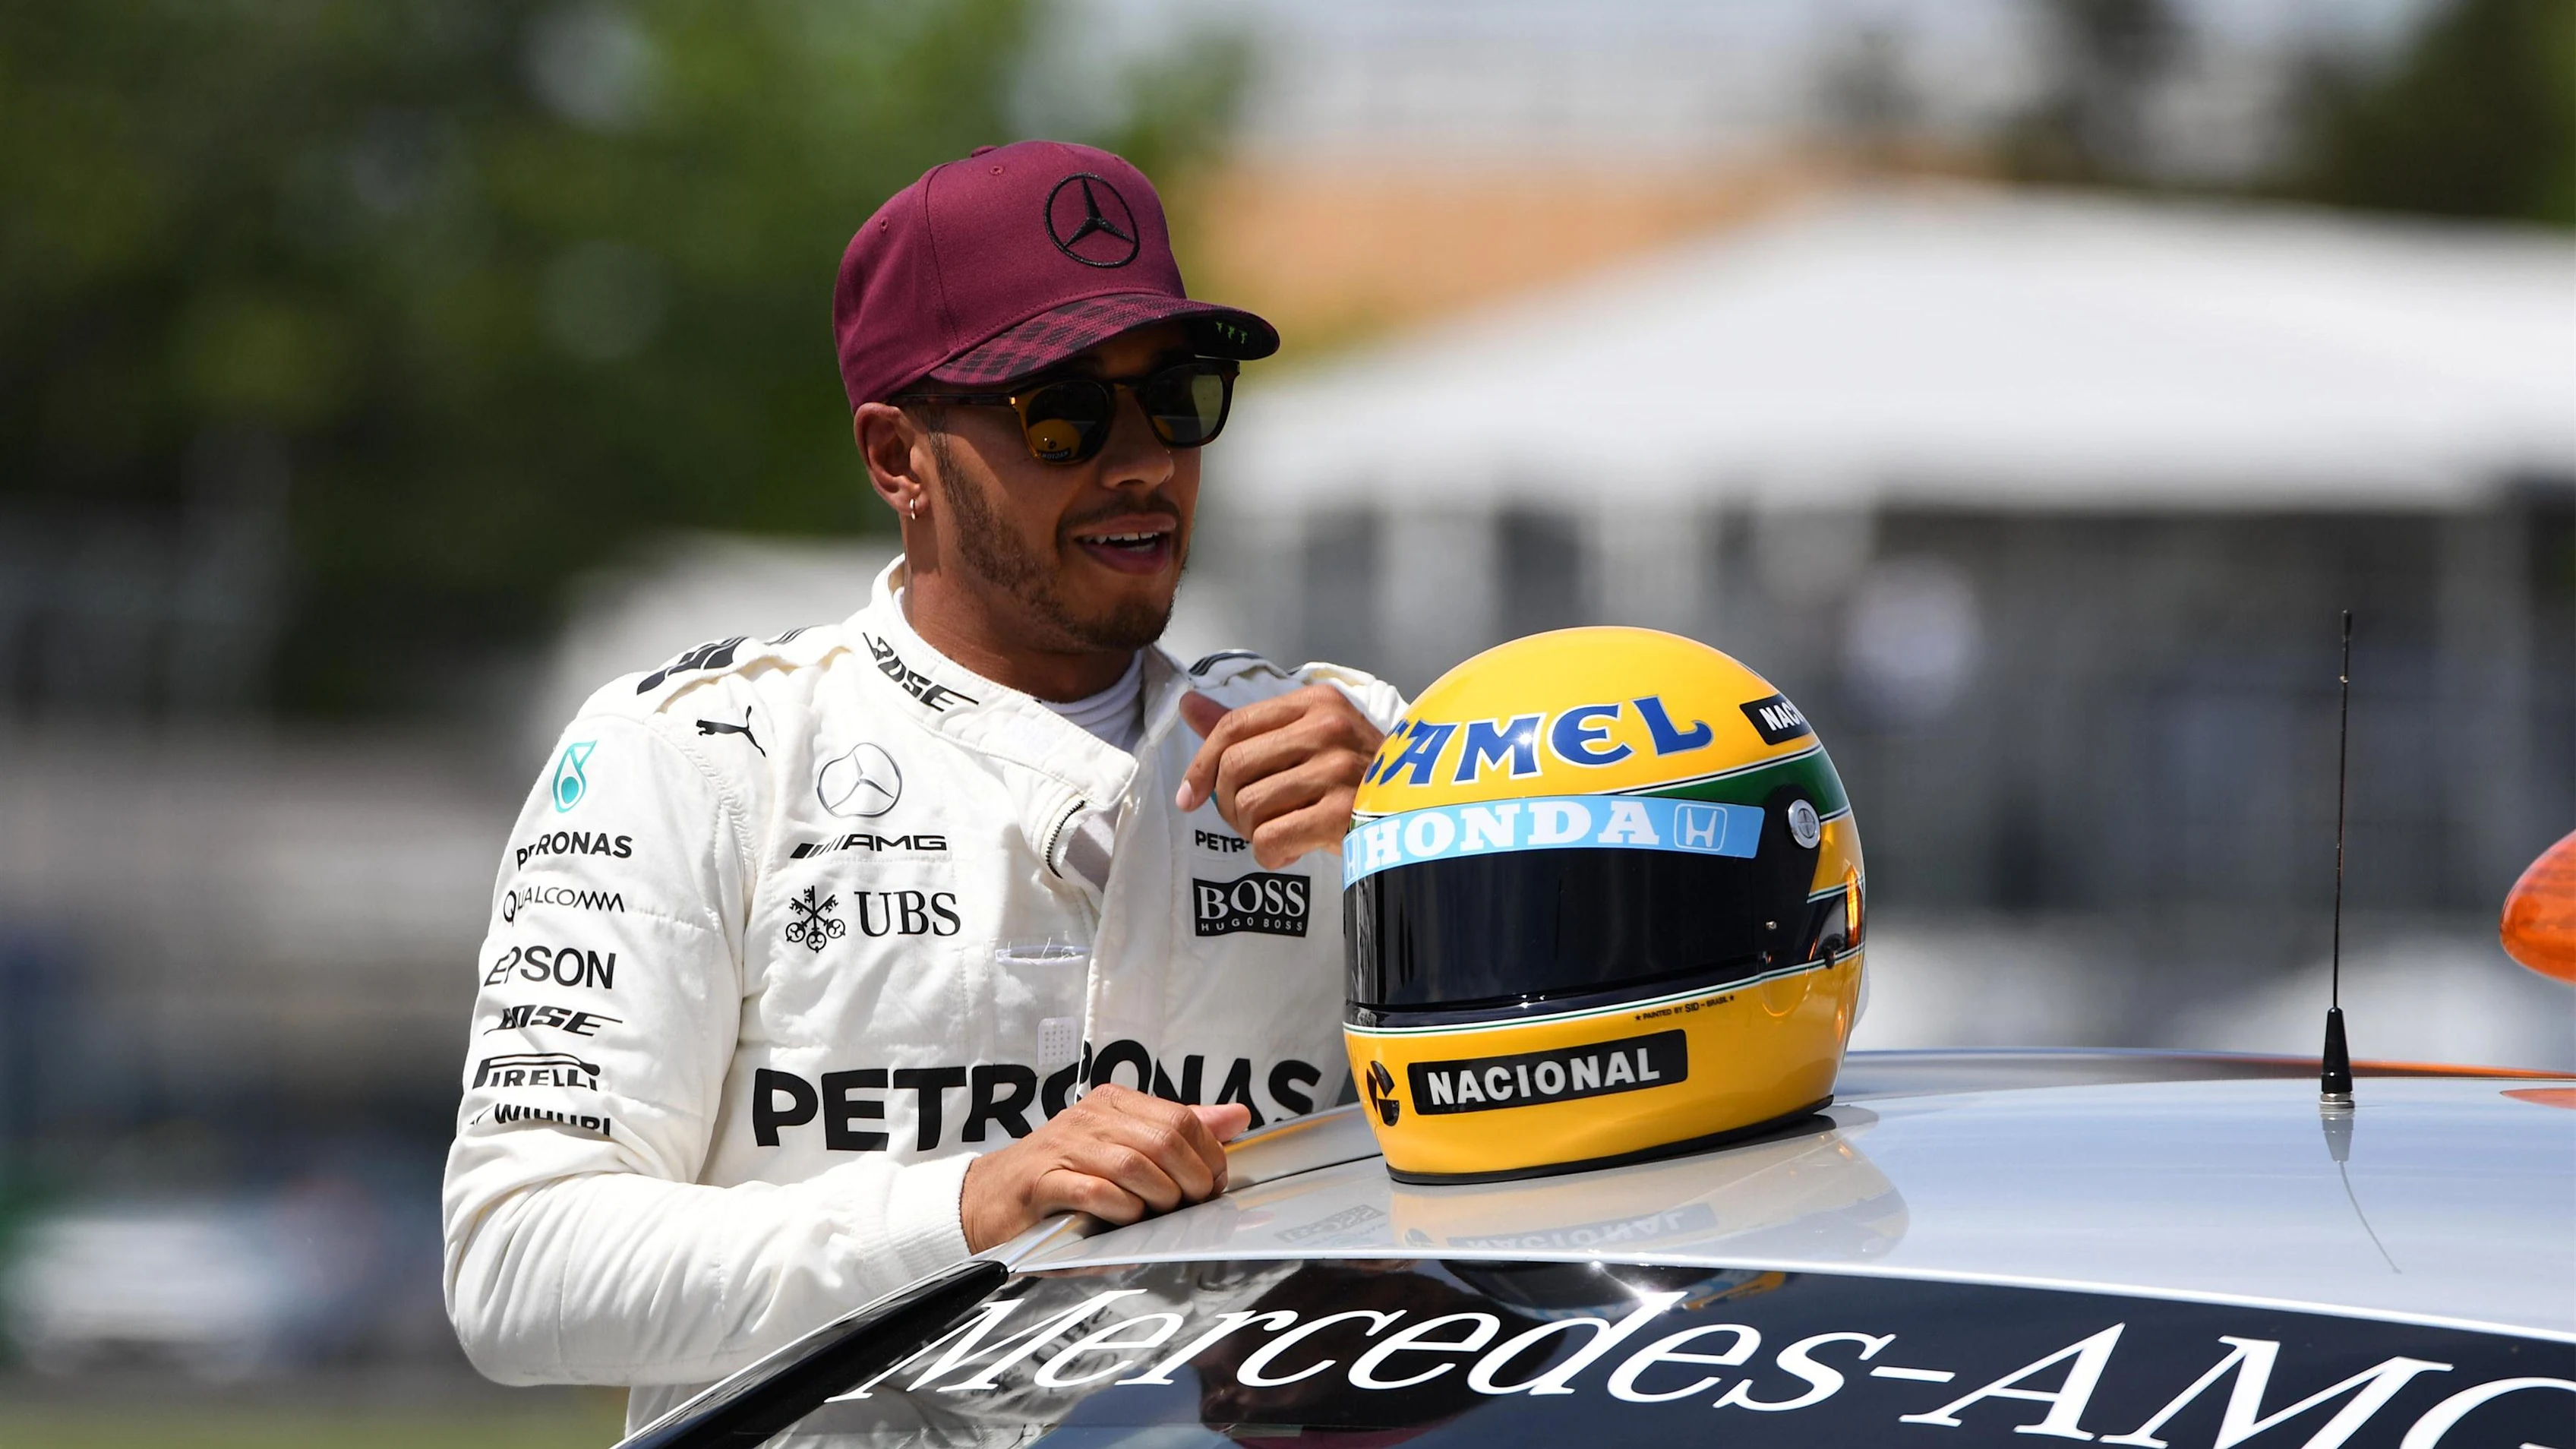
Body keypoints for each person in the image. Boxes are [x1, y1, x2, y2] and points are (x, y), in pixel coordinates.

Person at [440, 140, 1404, 1426]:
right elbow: (518, 1269)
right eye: (1062, 411)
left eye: (1179, 396)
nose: (1141, 463)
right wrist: (972, 1206)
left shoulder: (1361, 748)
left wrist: (1436, 834)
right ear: (900, 458)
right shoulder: (690, 754)